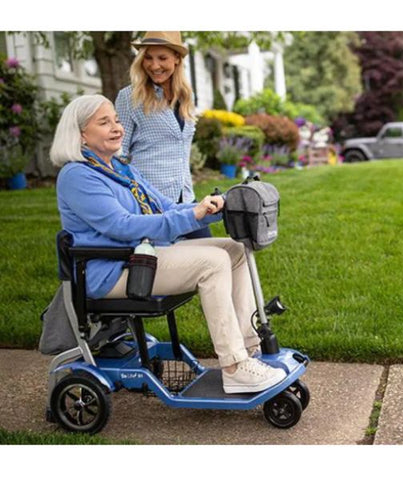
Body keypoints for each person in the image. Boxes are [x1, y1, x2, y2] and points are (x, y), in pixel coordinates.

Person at [49, 94, 286, 394]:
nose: (117, 127)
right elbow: (121, 227)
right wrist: (192, 217)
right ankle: (234, 367)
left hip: (138, 258)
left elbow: (164, 208)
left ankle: (248, 350)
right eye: (104, 122)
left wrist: (209, 209)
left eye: (117, 120)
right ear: (81, 134)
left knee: (234, 250)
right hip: (110, 272)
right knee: (211, 263)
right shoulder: (77, 175)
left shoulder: (121, 170)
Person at [115, 31, 211, 239]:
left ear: (177, 59)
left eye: (162, 58)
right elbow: (118, 152)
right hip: (150, 202)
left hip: (185, 197)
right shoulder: (129, 97)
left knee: (212, 250)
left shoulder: (187, 96)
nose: (154, 65)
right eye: (148, 57)